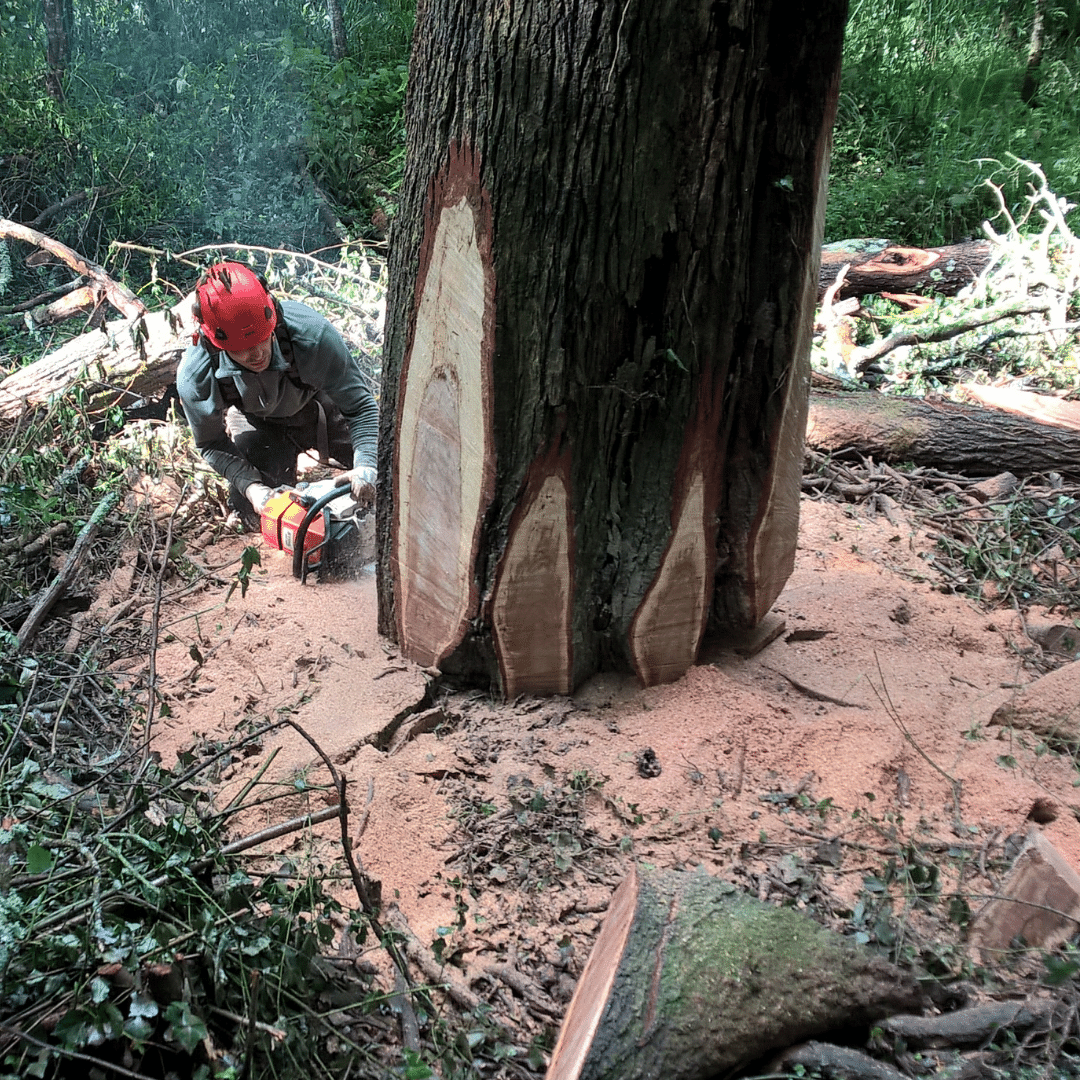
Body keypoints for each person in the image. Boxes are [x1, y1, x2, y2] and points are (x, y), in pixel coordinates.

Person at [177, 262, 378, 528]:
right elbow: (210, 443)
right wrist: (251, 488)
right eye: (242, 349)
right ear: (215, 341)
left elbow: (361, 407)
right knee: (261, 512)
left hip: (319, 409)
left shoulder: (311, 335)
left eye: (262, 338)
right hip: (258, 423)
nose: (257, 353)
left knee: (386, 467)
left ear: (273, 313)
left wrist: (366, 465)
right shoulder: (197, 374)